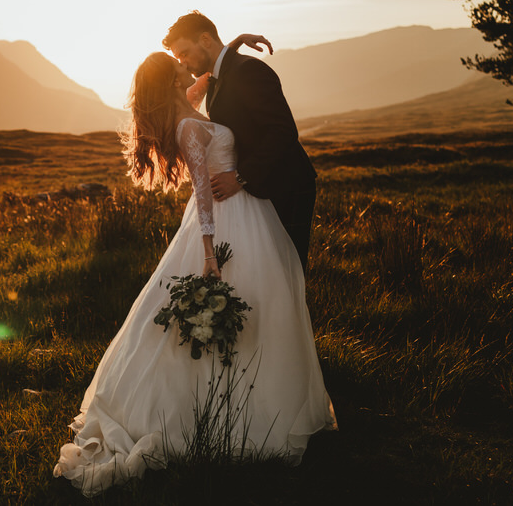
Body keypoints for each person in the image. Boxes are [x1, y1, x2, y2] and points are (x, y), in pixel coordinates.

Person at [52, 52, 336, 497]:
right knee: (241, 300)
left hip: (247, 208)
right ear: (171, 80)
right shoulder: (187, 126)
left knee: (267, 299)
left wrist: (235, 44)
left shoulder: (185, 102)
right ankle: (226, 414)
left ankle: (262, 396)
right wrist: (208, 252)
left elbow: (207, 74)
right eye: (178, 63)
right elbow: (201, 191)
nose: (187, 66)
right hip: (223, 215)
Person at [164, 11, 317, 271]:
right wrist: (234, 42)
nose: (184, 62)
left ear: (205, 39)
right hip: (259, 188)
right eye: (179, 58)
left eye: (184, 53)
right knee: (266, 271)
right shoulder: (216, 77)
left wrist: (240, 177)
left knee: (287, 270)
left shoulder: (249, 70)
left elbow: (283, 131)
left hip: (286, 185)